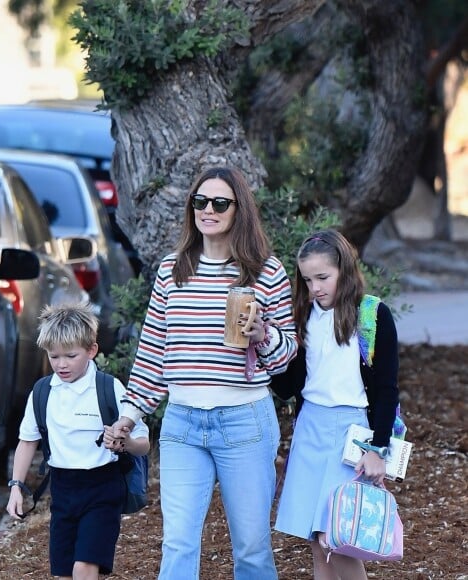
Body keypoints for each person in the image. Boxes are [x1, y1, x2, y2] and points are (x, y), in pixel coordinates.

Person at [111, 166, 298, 579]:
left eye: (219, 203)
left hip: (244, 420)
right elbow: (154, 352)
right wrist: (129, 416)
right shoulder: (171, 270)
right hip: (182, 422)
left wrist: (263, 335)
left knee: (251, 547)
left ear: (239, 210)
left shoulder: (266, 272)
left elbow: (285, 360)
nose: (207, 210)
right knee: (177, 543)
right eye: (200, 201)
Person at [272, 229, 400, 580]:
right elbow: (287, 387)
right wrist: (264, 346)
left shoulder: (372, 315)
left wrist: (378, 448)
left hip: (352, 433)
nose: (315, 288)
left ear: (344, 269)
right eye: (308, 279)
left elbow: (387, 390)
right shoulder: (302, 317)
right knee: (317, 542)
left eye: (323, 277)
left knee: (338, 538)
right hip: (310, 428)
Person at [6, 302, 150, 580]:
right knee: (63, 573)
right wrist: (16, 487)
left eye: (70, 356)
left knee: (84, 567)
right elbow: (27, 441)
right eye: (54, 356)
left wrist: (125, 442)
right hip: (62, 490)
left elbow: (142, 442)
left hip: (103, 488)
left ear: (92, 350)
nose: (61, 364)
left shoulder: (108, 388)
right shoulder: (42, 392)